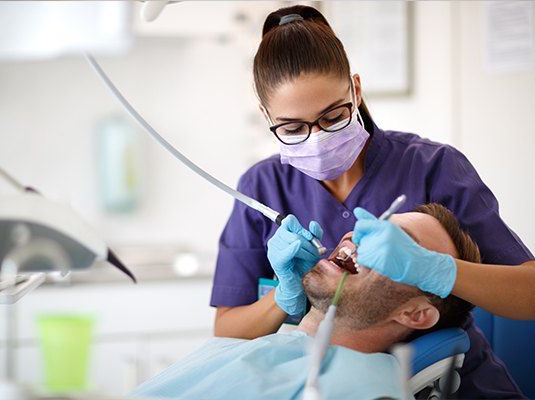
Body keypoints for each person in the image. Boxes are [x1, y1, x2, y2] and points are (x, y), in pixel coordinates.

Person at [211, 5, 534, 398]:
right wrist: (283, 297)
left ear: (356, 90)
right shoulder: (261, 186)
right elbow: (227, 330)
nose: (318, 138)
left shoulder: (432, 167)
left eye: (332, 117)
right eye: (293, 128)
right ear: (266, 116)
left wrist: (439, 271)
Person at [134, 205, 479, 399]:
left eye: (398, 243)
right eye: (374, 225)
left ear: (415, 313)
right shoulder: (253, 346)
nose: (360, 235)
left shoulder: (362, 388)